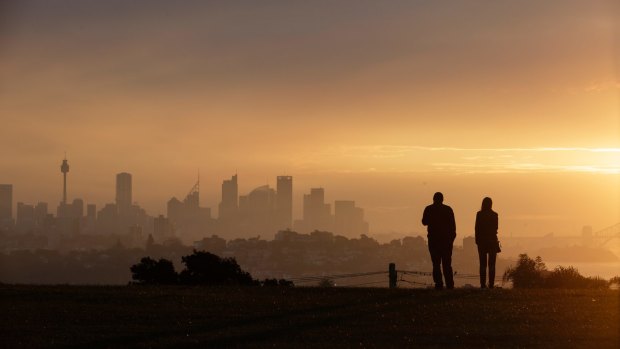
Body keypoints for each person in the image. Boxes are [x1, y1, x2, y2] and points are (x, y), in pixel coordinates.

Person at [422, 192, 456, 289]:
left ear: (433, 199)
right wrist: (451, 240)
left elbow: (424, 222)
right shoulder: (448, 210)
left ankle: (439, 284)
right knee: (447, 264)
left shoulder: (429, 209)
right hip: (446, 241)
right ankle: (449, 284)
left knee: (436, 264)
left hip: (434, 241)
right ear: (442, 199)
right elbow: (453, 227)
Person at [475, 197, 499, 289]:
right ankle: (491, 284)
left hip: (482, 242)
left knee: (483, 264)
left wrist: (477, 241)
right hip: (492, 241)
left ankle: (482, 284)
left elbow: (477, 228)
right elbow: (496, 228)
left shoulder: (479, 214)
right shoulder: (494, 215)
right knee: (492, 264)